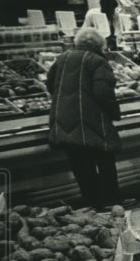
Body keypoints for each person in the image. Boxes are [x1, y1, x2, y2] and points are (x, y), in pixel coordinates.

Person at [46, 27, 122, 210]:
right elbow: (102, 92)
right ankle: (110, 201)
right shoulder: (97, 61)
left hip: (63, 120)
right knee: (105, 160)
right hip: (91, 119)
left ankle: (92, 202)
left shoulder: (62, 59)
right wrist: (114, 112)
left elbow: (50, 85)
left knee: (80, 164)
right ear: (99, 46)